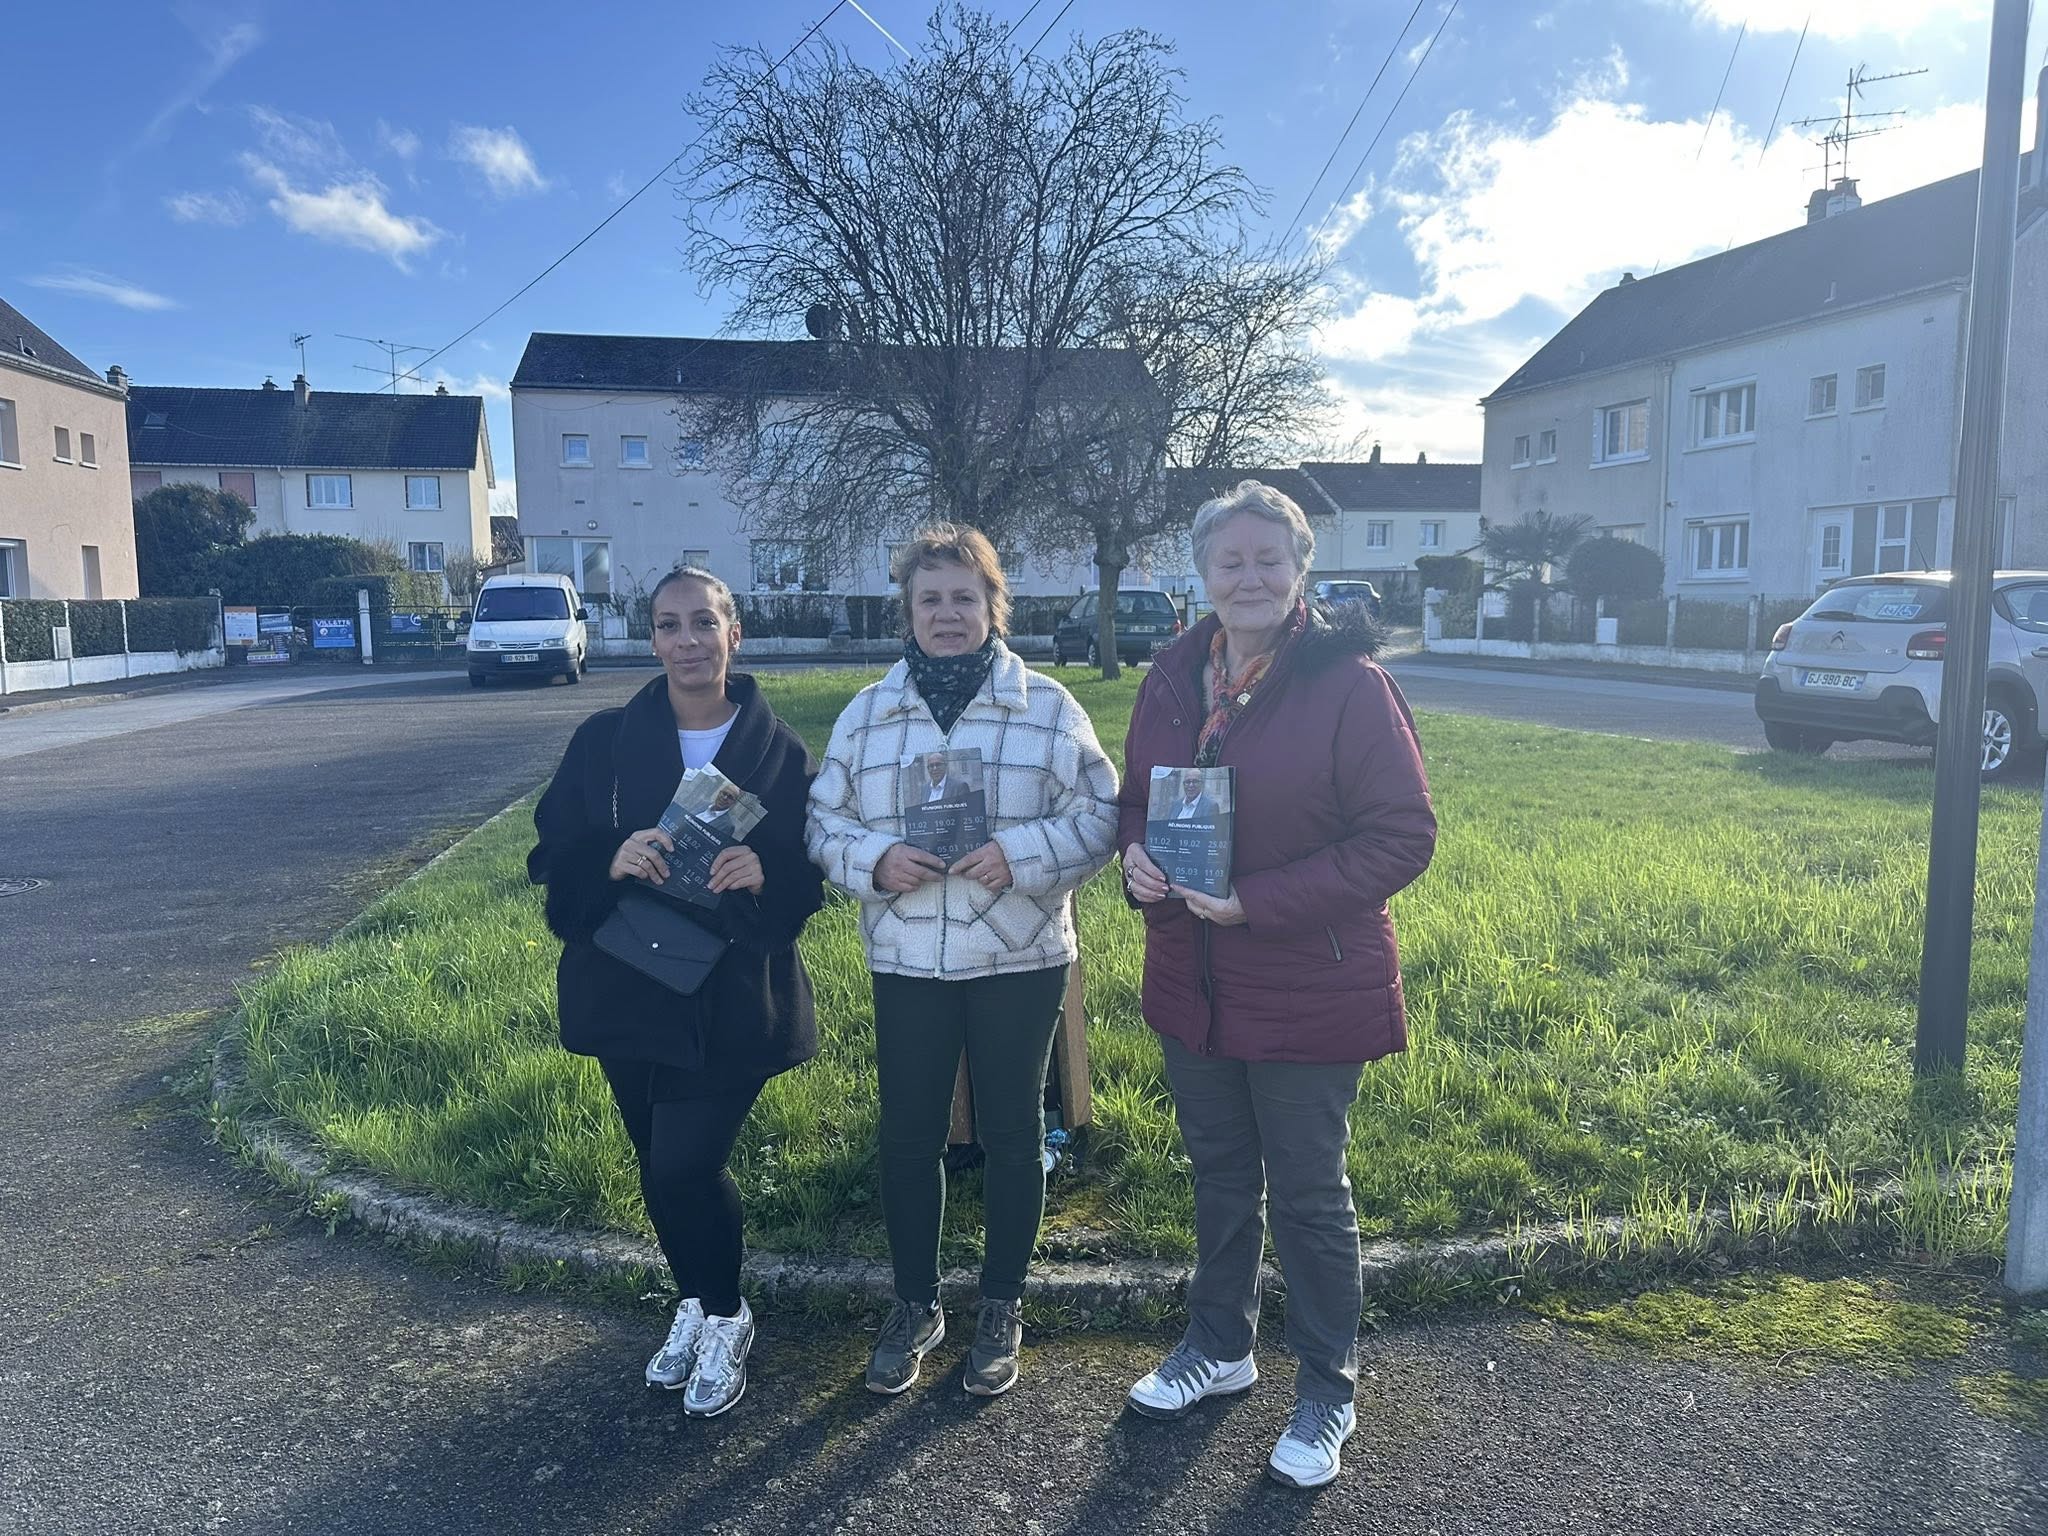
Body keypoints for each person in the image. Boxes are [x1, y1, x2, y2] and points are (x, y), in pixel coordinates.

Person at [1118, 481, 1437, 1489]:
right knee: (1218, 1179)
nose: (1247, 577)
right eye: (1228, 561)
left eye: (1267, 559)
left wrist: (1256, 901)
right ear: (1200, 574)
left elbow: (1402, 835)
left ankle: (1325, 1390)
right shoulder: (1171, 676)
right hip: (1190, 978)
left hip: (1307, 980)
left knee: (1305, 1195)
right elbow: (1135, 802)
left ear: (1298, 569)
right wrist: (1133, 861)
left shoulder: (1349, 683)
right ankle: (1218, 1346)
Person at [808, 523, 1118, 1399]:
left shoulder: (1050, 707)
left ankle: (1002, 1302)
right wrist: (872, 862)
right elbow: (820, 822)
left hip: (1019, 955)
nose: (948, 614)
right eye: (930, 599)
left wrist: (1023, 853)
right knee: (908, 1136)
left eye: (964, 598)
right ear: (908, 610)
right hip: (907, 955)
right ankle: (915, 1303)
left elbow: (1101, 813)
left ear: (993, 606)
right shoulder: (868, 712)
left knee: (1016, 1133)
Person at [528, 566, 823, 1418]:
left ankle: (728, 1316)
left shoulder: (781, 752)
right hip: (625, 985)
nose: (687, 641)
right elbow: (554, 852)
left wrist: (768, 870)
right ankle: (694, 1300)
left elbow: (811, 873)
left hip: (731, 997)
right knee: (655, 1168)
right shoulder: (604, 739)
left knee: (685, 1163)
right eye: (669, 625)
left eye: (704, 622)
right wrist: (606, 856)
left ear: (736, 634)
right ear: (650, 638)